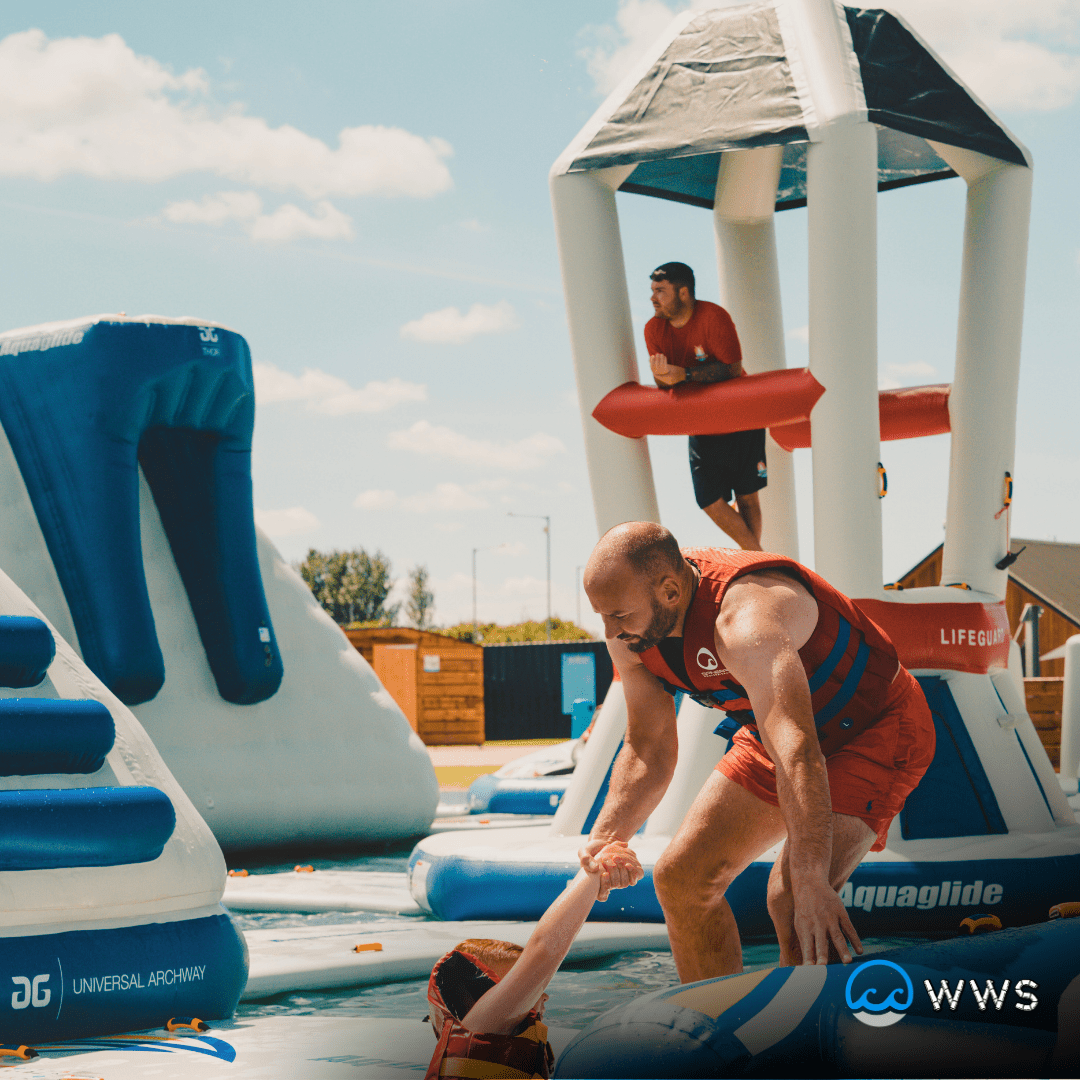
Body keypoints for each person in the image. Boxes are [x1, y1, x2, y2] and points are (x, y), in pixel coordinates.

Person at [579, 521, 936, 984]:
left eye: (618, 615)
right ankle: (717, 1034)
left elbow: (797, 746)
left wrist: (811, 876)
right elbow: (648, 745)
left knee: (792, 897)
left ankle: (805, 1045)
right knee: (681, 881)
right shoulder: (632, 632)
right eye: (602, 616)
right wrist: (608, 838)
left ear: (670, 591)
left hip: (874, 728)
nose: (609, 630)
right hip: (776, 732)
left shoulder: (745, 619)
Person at [424, 841, 643, 1080]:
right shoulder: (480, 1027)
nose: (542, 994)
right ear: (478, 999)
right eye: (522, 987)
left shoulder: (504, 1042)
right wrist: (592, 872)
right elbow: (544, 951)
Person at [645, 261, 767, 551]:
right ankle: (760, 559)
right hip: (700, 420)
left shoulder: (714, 317)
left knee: (747, 495)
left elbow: (733, 369)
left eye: (660, 291)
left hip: (740, 415)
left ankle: (755, 562)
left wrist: (684, 374)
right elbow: (665, 383)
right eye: (652, 291)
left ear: (684, 293)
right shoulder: (653, 329)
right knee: (708, 499)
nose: (652, 298)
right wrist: (663, 378)